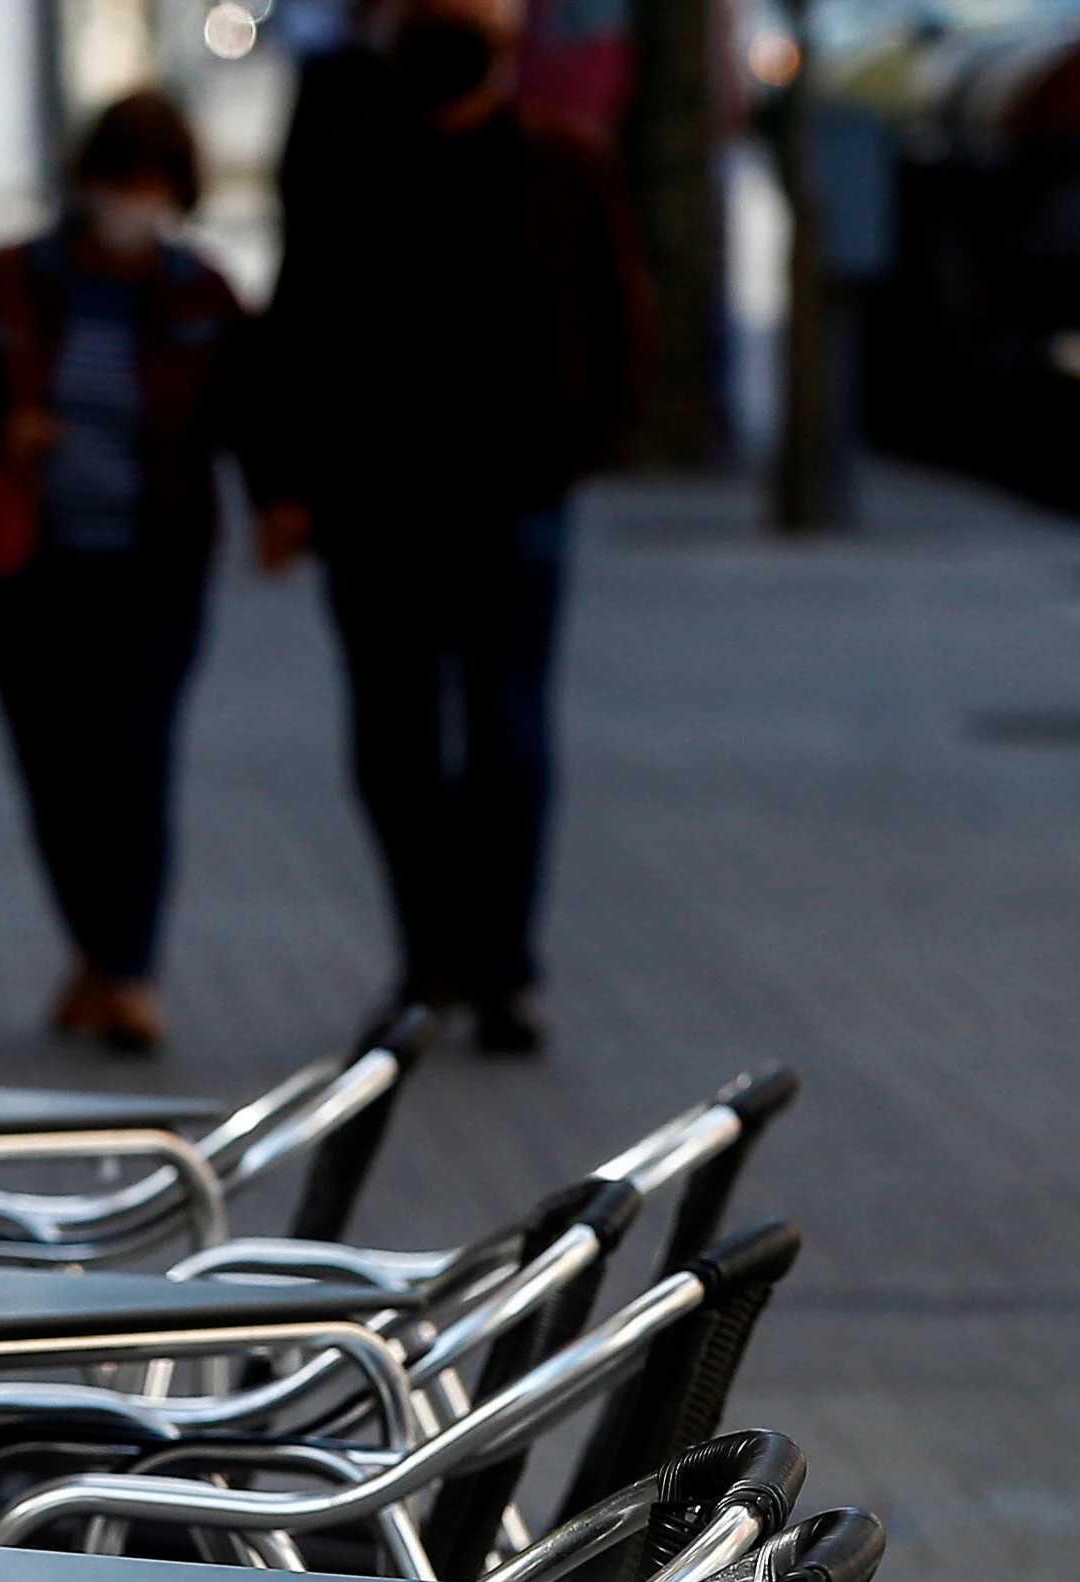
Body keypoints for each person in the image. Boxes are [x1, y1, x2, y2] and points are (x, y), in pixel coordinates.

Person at [244, 0, 641, 1057]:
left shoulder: (562, 166)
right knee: (397, 742)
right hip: (379, 506)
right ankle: (433, 958)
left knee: (505, 735)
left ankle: (495, 966)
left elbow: (622, 317)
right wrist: (280, 485)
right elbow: (294, 332)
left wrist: (576, 448)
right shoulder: (350, 162)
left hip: (513, 498)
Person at [0, 95, 250, 1055]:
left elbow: (246, 412)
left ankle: (128, 971)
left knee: (136, 763)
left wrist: (285, 505)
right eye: (120, 186)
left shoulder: (201, 295)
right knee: (58, 772)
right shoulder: (14, 281)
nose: (133, 207)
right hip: (28, 570)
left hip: (154, 563)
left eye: (153, 191)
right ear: (87, 182)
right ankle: (97, 953)